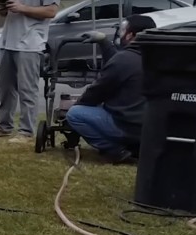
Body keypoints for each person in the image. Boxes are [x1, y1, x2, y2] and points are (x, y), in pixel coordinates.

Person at [65, 14, 158, 163]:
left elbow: (98, 91)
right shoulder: (159, 58)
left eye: (122, 31)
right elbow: (120, 63)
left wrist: (79, 103)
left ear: (131, 35)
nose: (120, 35)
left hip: (126, 126)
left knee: (75, 114)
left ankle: (115, 150)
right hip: (152, 129)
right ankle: (135, 148)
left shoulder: (125, 59)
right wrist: (104, 42)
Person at [0, 0, 59, 142]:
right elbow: (9, 13)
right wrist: (3, 8)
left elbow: (51, 12)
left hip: (30, 45)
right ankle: (3, 127)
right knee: (4, 88)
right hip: (7, 43)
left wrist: (22, 8)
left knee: (27, 89)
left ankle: (26, 131)